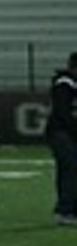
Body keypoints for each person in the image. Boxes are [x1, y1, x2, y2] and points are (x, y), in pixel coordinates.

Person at [49, 52, 77, 226]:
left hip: (69, 133)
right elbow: (63, 112)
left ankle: (70, 209)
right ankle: (66, 210)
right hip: (61, 132)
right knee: (70, 168)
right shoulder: (64, 84)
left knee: (70, 169)